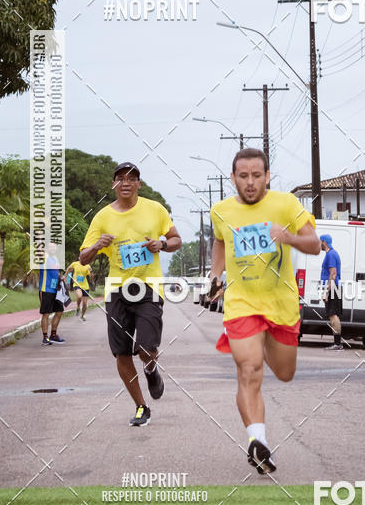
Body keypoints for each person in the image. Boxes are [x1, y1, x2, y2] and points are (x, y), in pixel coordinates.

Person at [208, 148, 320, 474]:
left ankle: (265, 345)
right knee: (249, 370)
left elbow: (314, 244)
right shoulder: (220, 211)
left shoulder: (286, 204)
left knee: (284, 373)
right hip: (242, 304)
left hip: (281, 304)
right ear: (233, 178)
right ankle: (258, 440)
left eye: (257, 175)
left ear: (267, 176)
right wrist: (215, 275)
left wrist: (286, 236)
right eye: (243, 176)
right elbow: (219, 240)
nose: (250, 182)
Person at [79, 162, 182, 427]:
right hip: (117, 290)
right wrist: (97, 246)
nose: (126, 182)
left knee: (146, 348)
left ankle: (151, 369)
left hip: (148, 287)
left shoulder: (155, 210)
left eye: (131, 178)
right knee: (122, 353)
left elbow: (176, 240)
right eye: (120, 178)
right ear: (113, 184)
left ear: (139, 184)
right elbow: (83, 256)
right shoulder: (102, 217)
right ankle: (141, 407)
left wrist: (162, 244)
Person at [39, 245, 66, 346]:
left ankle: (53, 335)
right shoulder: (44, 257)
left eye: (54, 247)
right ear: (46, 249)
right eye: (51, 247)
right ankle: (45, 337)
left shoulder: (55, 259)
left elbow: (55, 272)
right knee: (46, 313)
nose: (53, 249)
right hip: (46, 289)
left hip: (56, 290)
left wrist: (61, 277)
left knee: (59, 312)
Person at [320, 234, 343, 350]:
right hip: (334, 287)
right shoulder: (331, 254)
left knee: (333, 315)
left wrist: (326, 291)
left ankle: (337, 343)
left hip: (333, 287)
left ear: (324, 242)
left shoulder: (331, 255)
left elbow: (333, 274)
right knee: (333, 315)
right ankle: (337, 343)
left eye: (320, 241)